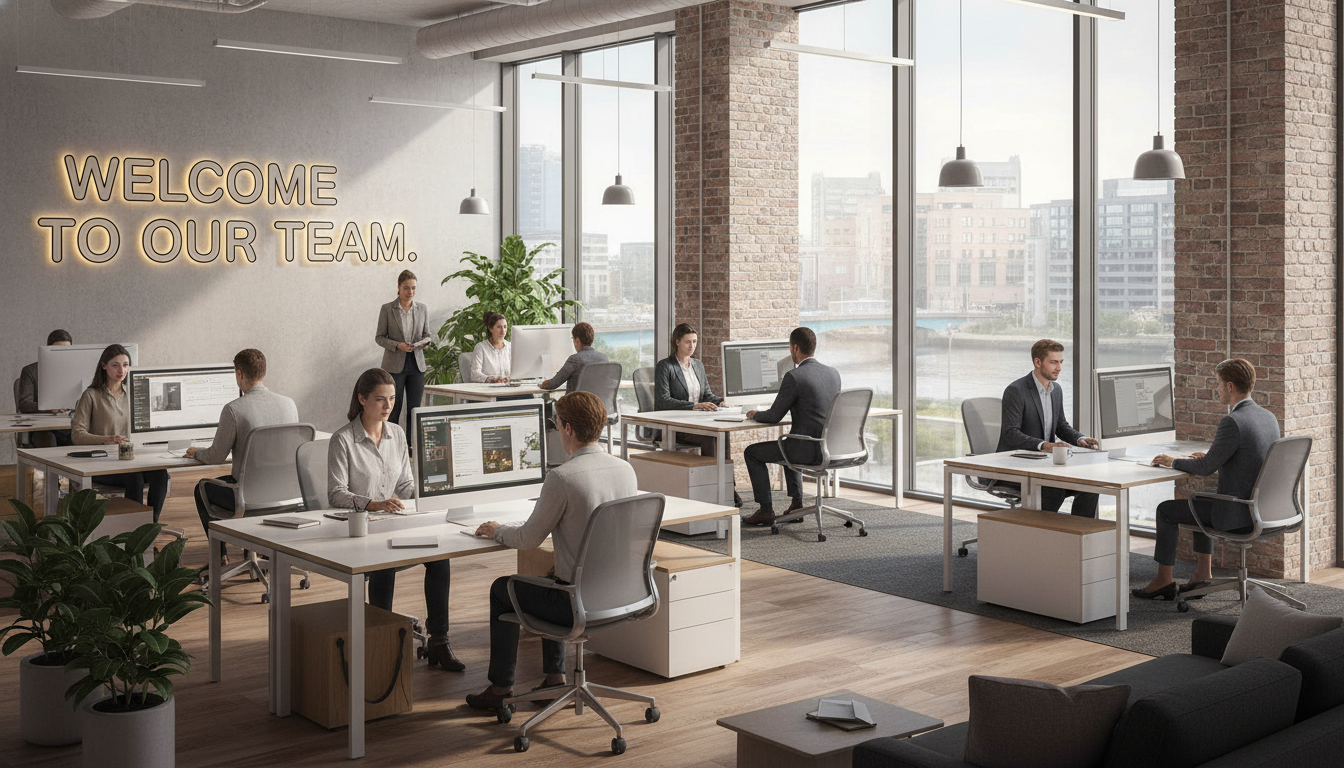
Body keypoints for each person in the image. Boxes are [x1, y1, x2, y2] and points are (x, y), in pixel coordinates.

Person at [464, 391, 638, 712]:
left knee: (502, 589)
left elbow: (529, 538)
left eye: (556, 423)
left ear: (568, 429)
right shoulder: (625, 469)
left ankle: (501, 688)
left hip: (576, 603)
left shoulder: (562, 477)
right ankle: (554, 679)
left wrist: (496, 530)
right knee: (550, 577)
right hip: (620, 594)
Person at [327, 368, 462, 671]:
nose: (388, 406)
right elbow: (336, 494)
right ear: (362, 399)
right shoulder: (343, 440)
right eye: (380, 400)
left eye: (391, 399)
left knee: (440, 557)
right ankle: (381, 644)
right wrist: (374, 504)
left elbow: (404, 485)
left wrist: (427, 494)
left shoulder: (397, 434)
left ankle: (440, 640)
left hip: (395, 521)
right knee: (384, 564)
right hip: (362, 528)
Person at [1134, 359, 1279, 601]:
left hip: (1238, 516)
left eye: (1219, 384)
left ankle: (1163, 580)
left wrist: (1172, 461)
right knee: (1200, 500)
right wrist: (1212, 457)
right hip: (1265, 510)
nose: (1217, 389)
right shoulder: (1267, 417)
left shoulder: (1232, 421)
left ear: (1230, 386)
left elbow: (1204, 469)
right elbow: (1246, 458)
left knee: (1165, 511)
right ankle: (1202, 574)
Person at [188, 349, 299, 564]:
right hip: (285, 494)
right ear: (263, 372)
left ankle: (220, 557)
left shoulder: (234, 409)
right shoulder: (289, 404)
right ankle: (260, 548)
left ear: (239, 374)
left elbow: (216, 457)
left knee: (201, 488)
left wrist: (196, 452)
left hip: (247, 496)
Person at [740, 327, 841, 527]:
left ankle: (766, 510)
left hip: (805, 450)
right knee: (790, 441)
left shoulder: (794, 376)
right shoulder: (833, 374)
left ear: (795, 348)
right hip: (830, 448)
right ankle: (796, 504)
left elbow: (774, 415)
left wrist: (754, 414)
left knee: (752, 452)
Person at [997, 339, 1101, 518]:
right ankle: (1041, 538)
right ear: (1038, 362)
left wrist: (1079, 439)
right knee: (1054, 489)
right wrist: (1046, 445)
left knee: (1091, 485)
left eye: (1061, 362)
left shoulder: (1056, 390)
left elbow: (1061, 426)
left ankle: (1077, 537)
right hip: (1016, 467)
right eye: (1053, 362)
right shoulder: (1016, 390)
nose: (1059, 367)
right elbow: (1011, 434)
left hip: (1046, 466)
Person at [70, 344, 170, 522]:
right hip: (104, 463)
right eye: (115, 365)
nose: (121, 370)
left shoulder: (134, 394)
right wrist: (106, 439)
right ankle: (131, 528)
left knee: (160, 474)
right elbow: (77, 435)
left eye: (125, 365)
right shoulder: (91, 395)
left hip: (132, 458)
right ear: (104, 366)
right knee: (135, 477)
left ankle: (150, 525)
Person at [654, 323, 741, 506]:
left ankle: (727, 487)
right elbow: (663, 400)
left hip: (698, 422)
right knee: (710, 438)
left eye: (694, 341)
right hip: (676, 426)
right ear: (677, 342)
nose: (692, 346)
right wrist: (694, 405)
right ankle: (713, 490)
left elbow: (707, 394)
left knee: (723, 435)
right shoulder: (665, 366)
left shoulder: (698, 365)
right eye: (687, 342)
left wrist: (721, 401)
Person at [375, 270, 432, 437]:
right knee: (393, 408)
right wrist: (397, 345)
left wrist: (423, 344)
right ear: (398, 288)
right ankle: (391, 445)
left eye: (413, 288)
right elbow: (379, 337)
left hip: (416, 365)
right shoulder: (387, 309)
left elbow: (427, 335)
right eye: (406, 288)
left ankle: (411, 447)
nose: (410, 292)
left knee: (415, 410)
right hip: (394, 366)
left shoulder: (422, 309)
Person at [16, 329, 75, 447]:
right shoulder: (30, 371)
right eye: (57, 350)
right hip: (42, 426)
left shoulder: (75, 370)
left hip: (70, 423)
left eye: (66, 350)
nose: (61, 354)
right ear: (47, 350)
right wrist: (49, 408)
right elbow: (24, 404)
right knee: (48, 439)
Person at [538, 322, 607, 394]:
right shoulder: (604, 358)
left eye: (573, 339)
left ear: (577, 340)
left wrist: (542, 384)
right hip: (597, 404)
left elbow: (553, 384)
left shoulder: (575, 359)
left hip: (575, 403)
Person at [469, 311, 511, 383]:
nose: (503, 331)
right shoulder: (481, 348)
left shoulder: (510, 347)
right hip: (489, 389)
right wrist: (491, 379)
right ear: (490, 328)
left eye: (505, 327)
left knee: (528, 394)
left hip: (510, 387)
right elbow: (474, 374)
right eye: (499, 327)